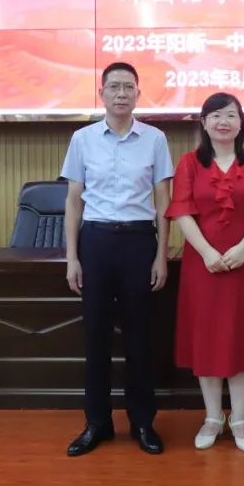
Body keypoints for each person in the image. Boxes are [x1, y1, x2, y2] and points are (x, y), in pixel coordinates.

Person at [62, 62, 173, 457]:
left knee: (140, 339)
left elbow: (164, 202)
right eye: (114, 87)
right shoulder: (83, 139)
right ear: (102, 94)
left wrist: (161, 255)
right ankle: (97, 422)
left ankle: (142, 422)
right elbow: (73, 201)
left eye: (128, 87)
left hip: (139, 241)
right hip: (95, 241)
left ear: (138, 94)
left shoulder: (155, 139)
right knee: (96, 337)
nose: (121, 93)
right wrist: (72, 257)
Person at [166, 92, 244, 452]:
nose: (223, 122)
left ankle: (240, 418)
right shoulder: (189, 163)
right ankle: (213, 416)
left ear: (241, 123)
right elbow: (182, 211)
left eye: (230, 115)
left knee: (242, 336)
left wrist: (243, 249)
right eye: (215, 116)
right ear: (203, 123)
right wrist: (207, 252)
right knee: (207, 338)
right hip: (203, 265)